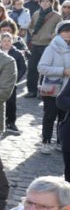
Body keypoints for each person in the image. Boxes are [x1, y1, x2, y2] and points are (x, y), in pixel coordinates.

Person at [36, 20, 70, 154]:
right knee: (49, 116)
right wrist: (62, 71)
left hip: (67, 90)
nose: (68, 34)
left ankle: (61, 141)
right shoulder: (52, 47)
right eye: (65, 31)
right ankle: (46, 141)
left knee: (64, 117)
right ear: (59, 32)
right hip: (53, 89)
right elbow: (41, 67)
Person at [26, 0, 60, 98]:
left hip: (48, 45)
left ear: (51, 3)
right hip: (36, 44)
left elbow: (59, 30)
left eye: (47, 1)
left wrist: (51, 36)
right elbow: (30, 26)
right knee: (32, 69)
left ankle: (43, 91)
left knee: (45, 70)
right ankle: (32, 90)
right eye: (43, 1)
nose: (45, 3)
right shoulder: (36, 14)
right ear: (40, 3)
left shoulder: (56, 16)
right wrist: (32, 33)